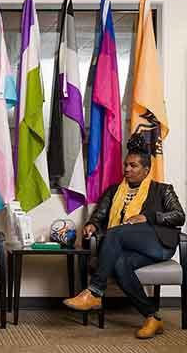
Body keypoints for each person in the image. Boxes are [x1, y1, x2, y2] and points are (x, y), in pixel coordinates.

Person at [63, 133, 185, 339]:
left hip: (158, 243)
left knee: (114, 234)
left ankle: (94, 292)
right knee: (119, 265)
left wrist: (148, 217)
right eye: (126, 165)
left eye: (133, 166)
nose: (127, 169)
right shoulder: (114, 191)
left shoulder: (162, 190)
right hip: (128, 246)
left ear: (146, 170)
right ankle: (152, 317)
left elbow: (179, 216)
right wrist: (92, 224)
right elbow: (99, 215)